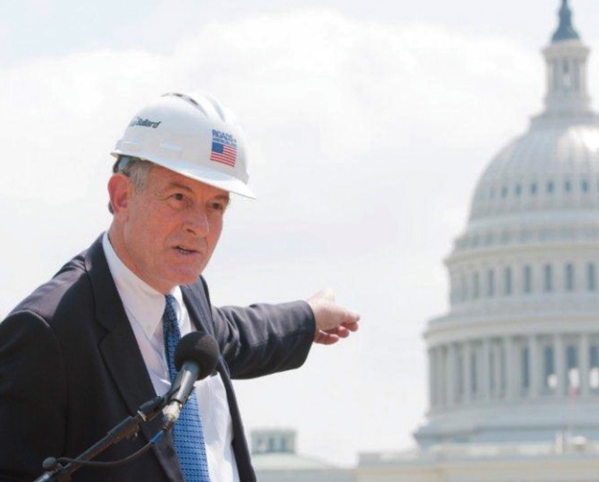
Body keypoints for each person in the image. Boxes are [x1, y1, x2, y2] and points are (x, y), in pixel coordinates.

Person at [0, 92, 359, 482]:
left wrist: (307, 316)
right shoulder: (46, 332)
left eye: (216, 206)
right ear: (122, 197)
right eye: (179, 197)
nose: (200, 227)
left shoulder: (187, 295)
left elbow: (230, 335)